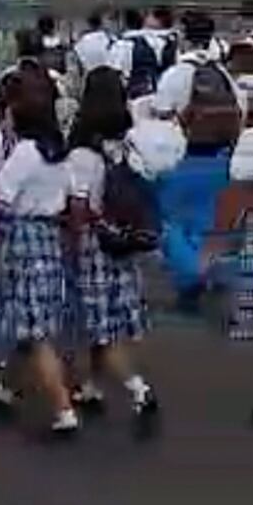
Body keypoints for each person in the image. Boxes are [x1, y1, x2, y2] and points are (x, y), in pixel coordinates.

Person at [0, 61, 78, 436]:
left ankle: (63, 407)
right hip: (49, 237)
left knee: (35, 333)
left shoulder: (24, 153)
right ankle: (7, 387)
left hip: (20, 239)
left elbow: (0, 198)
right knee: (30, 321)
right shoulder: (59, 152)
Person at [66, 67, 160, 430]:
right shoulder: (125, 143)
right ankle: (91, 385)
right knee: (105, 322)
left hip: (94, 244)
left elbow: (79, 206)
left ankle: (138, 388)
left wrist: (70, 240)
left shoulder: (83, 153)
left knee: (101, 327)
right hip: (122, 240)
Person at [153, 12, 245, 311]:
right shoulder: (224, 74)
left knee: (176, 224)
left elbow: (160, 112)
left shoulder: (175, 74)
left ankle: (190, 281)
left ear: (182, 36)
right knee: (211, 222)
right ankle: (215, 274)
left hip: (184, 157)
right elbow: (240, 113)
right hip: (220, 160)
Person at [72, 11, 115, 76]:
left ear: (89, 24)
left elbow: (78, 63)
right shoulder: (109, 37)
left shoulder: (82, 40)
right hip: (109, 75)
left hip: (90, 76)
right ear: (101, 23)